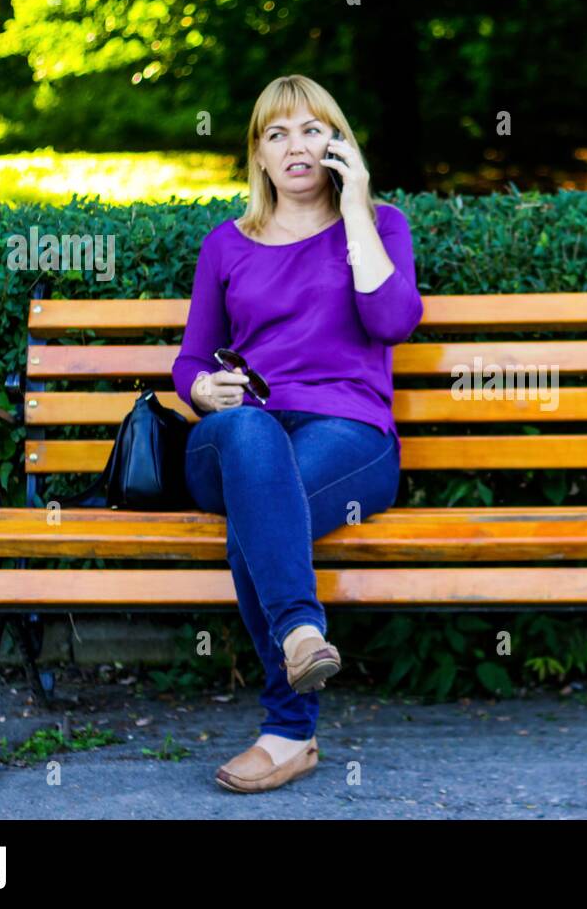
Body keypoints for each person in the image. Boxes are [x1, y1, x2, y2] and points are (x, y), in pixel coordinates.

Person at [171, 74, 424, 793]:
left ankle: (288, 730)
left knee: (263, 510)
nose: (296, 146)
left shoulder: (382, 225)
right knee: (252, 439)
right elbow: (192, 355)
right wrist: (200, 388)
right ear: (258, 154)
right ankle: (299, 642)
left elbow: (391, 322)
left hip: (349, 435)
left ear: (338, 143)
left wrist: (356, 207)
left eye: (312, 129)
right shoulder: (227, 244)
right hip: (238, 434)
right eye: (277, 134)